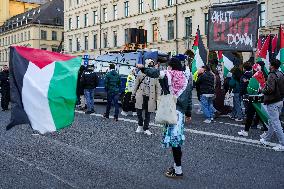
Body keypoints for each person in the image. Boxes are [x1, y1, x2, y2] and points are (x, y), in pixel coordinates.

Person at [137, 58, 192, 178]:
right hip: (180, 113)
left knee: (175, 143)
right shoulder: (188, 77)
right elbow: (189, 98)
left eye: (168, 66)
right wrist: (188, 113)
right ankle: (176, 165)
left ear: (171, 67)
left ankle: (178, 171)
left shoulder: (168, 74)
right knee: (176, 142)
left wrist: (142, 68)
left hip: (170, 111)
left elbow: (154, 73)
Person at [260, 59, 284, 151]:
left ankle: (282, 144)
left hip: (272, 101)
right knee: (272, 121)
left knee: (276, 123)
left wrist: (262, 90)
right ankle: (266, 139)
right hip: (280, 100)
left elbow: (270, 89)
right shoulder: (281, 73)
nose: (268, 65)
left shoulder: (271, 75)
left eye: (269, 64)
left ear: (272, 66)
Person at [132, 59, 161, 135]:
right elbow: (136, 85)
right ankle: (140, 125)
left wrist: (158, 98)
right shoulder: (140, 72)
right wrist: (133, 94)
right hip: (140, 95)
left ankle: (146, 128)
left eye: (152, 64)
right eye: (149, 64)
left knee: (148, 114)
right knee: (139, 112)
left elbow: (158, 87)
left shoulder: (155, 74)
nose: (151, 66)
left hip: (150, 96)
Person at [238, 63, 266, 137]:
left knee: (250, 115)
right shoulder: (262, 75)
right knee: (261, 115)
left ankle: (246, 131)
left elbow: (250, 89)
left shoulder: (255, 77)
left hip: (253, 97)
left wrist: (248, 84)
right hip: (260, 97)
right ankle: (266, 132)